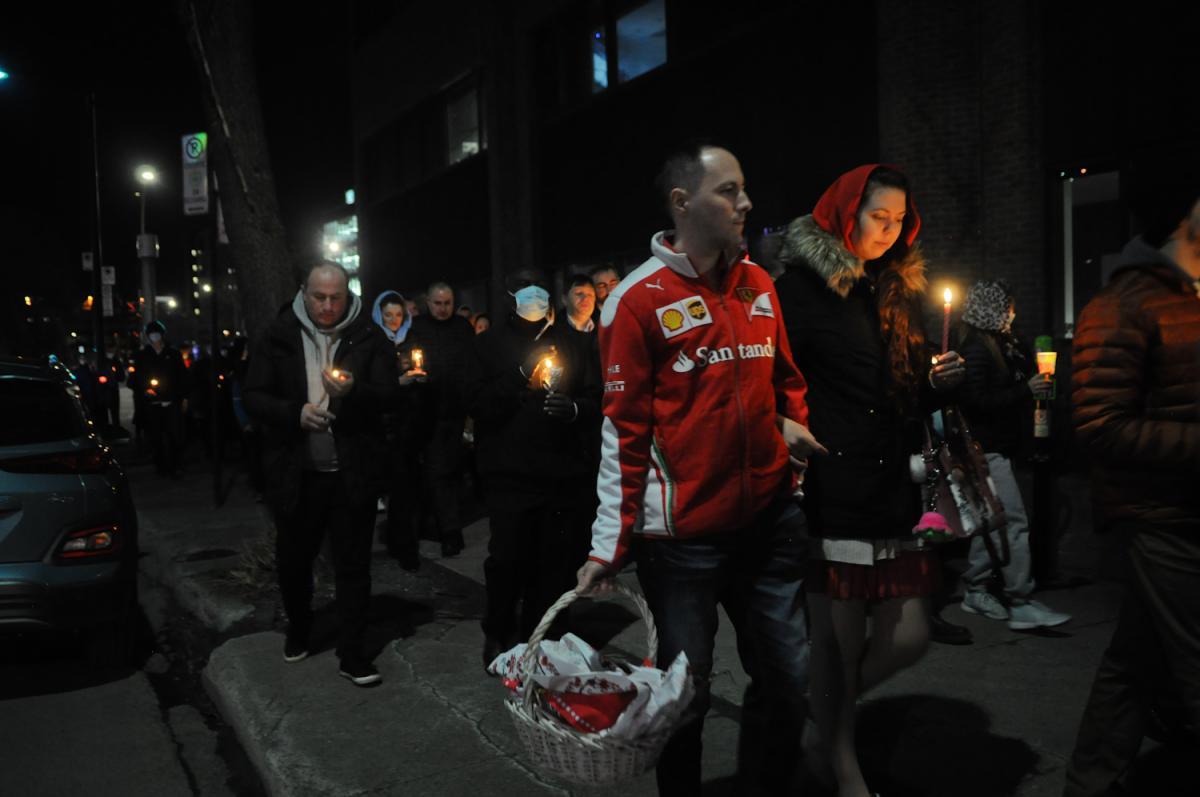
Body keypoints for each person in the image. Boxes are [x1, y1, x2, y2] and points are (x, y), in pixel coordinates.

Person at [575, 142, 823, 795]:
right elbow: (623, 431)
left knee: (789, 680)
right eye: (728, 190)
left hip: (771, 523)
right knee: (684, 695)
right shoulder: (634, 301)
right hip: (683, 543)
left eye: (743, 188)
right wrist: (609, 546)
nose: (745, 203)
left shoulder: (759, 284)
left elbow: (786, 382)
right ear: (682, 203)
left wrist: (791, 441)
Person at [775, 164, 965, 797]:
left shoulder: (895, 287)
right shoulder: (798, 291)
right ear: (844, 213)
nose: (889, 230)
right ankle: (841, 765)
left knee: (908, 635)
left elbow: (901, 393)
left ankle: (818, 723)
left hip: (890, 487)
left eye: (899, 219)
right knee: (839, 641)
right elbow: (770, 380)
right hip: (832, 485)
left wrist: (934, 383)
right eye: (878, 216)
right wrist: (782, 425)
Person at [1064, 151, 1200, 797]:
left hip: (1186, 508)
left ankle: (1091, 780)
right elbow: (1100, 423)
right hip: (1160, 516)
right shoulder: (1123, 303)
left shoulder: (1189, 296)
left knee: (1136, 659)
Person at [244, 261, 398, 687]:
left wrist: (355, 392)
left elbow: (391, 395)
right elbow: (253, 395)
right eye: (319, 297)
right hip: (298, 473)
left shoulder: (368, 337)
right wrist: (294, 413)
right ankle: (299, 626)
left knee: (353, 565)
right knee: (294, 561)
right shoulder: (278, 335)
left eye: (336, 298)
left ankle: (353, 652)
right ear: (303, 292)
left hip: (351, 473)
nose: (328, 306)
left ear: (348, 295)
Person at [467, 270, 601, 668]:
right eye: (524, 286)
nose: (534, 294)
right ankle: (499, 630)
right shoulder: (487, 345)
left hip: (560, 472)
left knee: (556, 562)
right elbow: (476, 403)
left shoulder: (573, 343)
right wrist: (519, 375)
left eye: (539, 285)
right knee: (508, 559)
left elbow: (596, 397)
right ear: (509, 295)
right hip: (509, 472)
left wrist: (574, 409)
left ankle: (544, 637)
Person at [956, 279, 1072, 630]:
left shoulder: (1002, 344)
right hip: (986, 450)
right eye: (1007, 306)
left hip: (998, 448)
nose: (1013, 313)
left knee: (993, 521)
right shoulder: (977, 350)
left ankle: (976, 588)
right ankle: (1020, 600)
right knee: (1013, 521)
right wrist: (1026, 389)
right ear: (991, 308)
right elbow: (976, 402)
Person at [408, 281, 475, 556]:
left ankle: (447, 523)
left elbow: (471, 364)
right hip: (429, 410)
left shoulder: (462, 328)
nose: (443, 308)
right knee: (437, 471)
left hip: (457, 409)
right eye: (438, 303)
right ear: (428, 302)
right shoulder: (418, 328)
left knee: (451, 469)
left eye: (447, 303)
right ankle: (449, 530)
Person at [370, 289, 427, 571]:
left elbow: (425, 366)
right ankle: (398, 543)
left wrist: (422, 378)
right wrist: (398, 383)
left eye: (398, 314)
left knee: (406, 490)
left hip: (409, 424)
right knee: (391, 488)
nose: (394, 320)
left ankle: (404, 545)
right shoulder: (372, 342)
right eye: (388, 315)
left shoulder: (412, 340)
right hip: (382, 425)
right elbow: (372, 384)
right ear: (379, 315)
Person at [132, 320, 189, 478]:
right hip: (152, 403)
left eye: (157, 333)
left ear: (162, 335)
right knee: (155, 436)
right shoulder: (143, 355)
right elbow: (136, 378)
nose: (155, 337)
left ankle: (176, 465)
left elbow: (182, 376)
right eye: (152, 334)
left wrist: (184, 397)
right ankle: (161, 466)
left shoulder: (173, 354)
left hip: (171, 400)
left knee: (174, 435)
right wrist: (146, 389)